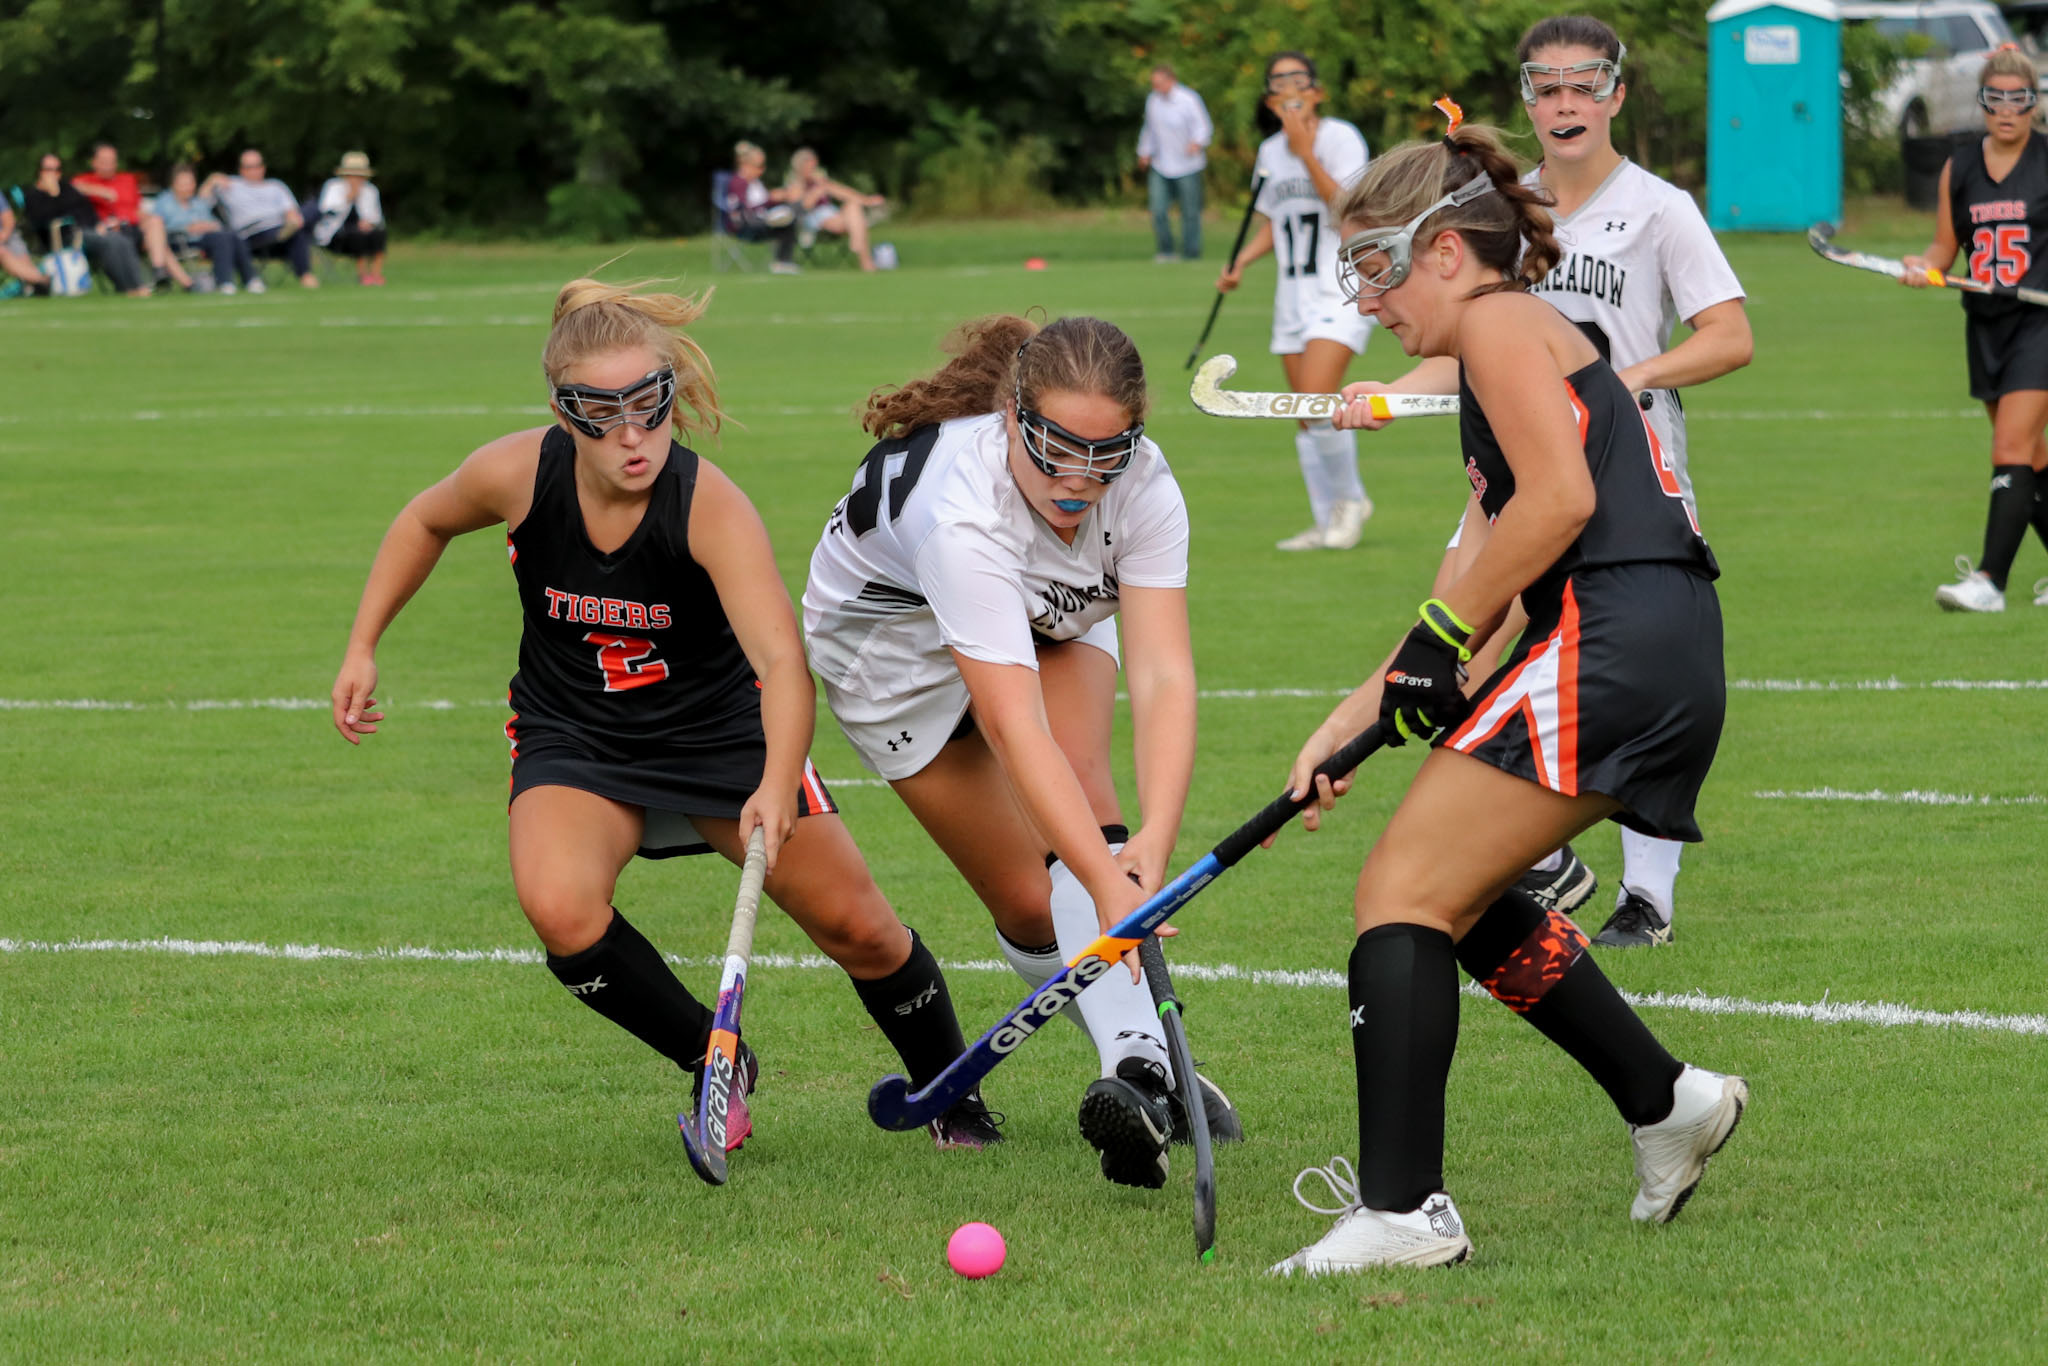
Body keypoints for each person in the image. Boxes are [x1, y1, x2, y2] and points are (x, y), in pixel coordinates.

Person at [330, 279, 999, 1155]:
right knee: (561, 912)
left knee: (857, 928)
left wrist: (773, 780)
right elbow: (423, 519)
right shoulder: (517, 474)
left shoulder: (708, 505)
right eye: (602, 413)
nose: (633, 434)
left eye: (651, 405)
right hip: (575, 736)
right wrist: (362, 645)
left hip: (723, 737)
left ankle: (949, 1092)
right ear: (563, 412)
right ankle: (713, 1057)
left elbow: (779, 666)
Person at [1265, 118, 1746, 1276]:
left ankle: (1401, 1209)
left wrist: (1442, 644)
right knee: (1463, 892)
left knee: (1400, 890)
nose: (1365, 299)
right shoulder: (1526, 335)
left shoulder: (1490, 323)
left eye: (1374, 267)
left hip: (1616, 628)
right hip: (1645, 635)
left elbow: (1558, 505)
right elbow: (1480, 556)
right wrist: (1361, 711)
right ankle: (1665, 1099)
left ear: (1442, 250)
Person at [1336, 16, 1755, 948]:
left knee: (1597, 649)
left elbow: (1731, 337)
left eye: (1583, 82)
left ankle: (1646, 893)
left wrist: (1613, 389)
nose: (1564, 101)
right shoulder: (1497, 210)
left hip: (1626, 472)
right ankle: (1526, 845)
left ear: (1614, 92)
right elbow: (1469, 342)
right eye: (1545, 85)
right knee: (1461, 639)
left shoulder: (1659, 208)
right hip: (1513, 462)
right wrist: (1394, 391)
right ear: (1526, 99)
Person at [802, 314, 1242, 1190]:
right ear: (1011, 416)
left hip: (1041, 611)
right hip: (890, 659)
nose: (1080, 480)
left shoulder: (1144, 486)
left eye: (1105, 452)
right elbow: (1013, 727)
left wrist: (1150, 842)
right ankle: (1143, 1052)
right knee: (1032, 903)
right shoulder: (959, 515)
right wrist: (1109, 883)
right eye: (1053, 449)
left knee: (1091, 806)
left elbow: (1162, 677)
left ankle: (1141, 1073)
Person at [1903, 43, 2048, 612]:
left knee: (2009, 443)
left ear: (2034, 103)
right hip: (1987, 325)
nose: (2007, 109)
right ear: (1983, 102)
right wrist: (1924, 269)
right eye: (1996, 99)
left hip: (2040, 323)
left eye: (2020, 99)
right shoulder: (1959, 167)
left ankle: (1990, 580)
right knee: (2030, 456)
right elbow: (1943, 249)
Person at [1216, 52, 1375, 552]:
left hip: (1340, 287)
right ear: (1269, 98)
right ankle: (1325, 519)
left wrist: (1307, 152)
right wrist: (1241, 261)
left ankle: (1351, 502)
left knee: (1316, 396)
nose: (1289, 88)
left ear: (1316, 92)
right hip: (1292, 295)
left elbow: (1349, 207)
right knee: (1304, 414)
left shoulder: (1341, 138)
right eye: (1279, 82)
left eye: (1299, 80)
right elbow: (1275, 221)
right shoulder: (1268, 151)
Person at [18, 152, 150, 296]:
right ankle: (126, 288)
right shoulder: (32, 195)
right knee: (110, 242)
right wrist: (54, 194)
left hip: (87, 231)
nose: (53, 174)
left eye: (57, 170)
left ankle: (138, 284)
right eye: (48, 169)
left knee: (121, 240)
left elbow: (85, 208)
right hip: (64, 238)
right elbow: (41, 220)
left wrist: (98, 224)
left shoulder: (67, 189)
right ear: (39, 172)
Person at [74, 141, 197, 291]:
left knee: (155, 222)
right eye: (104, 161)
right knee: (160, 245)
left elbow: (136, 209)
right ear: (94, 162)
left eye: (112, 161)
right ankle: (186, 283)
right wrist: (99, 190)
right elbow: (72, 187)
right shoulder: (86, 180)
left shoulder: (127, 180)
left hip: (135, 229)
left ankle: (160, 271)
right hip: (112, 231)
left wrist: (148, 218)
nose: (109, 165)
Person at [205, 149, 317, 290]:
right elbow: (202, 201)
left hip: (281, 227)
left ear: (263, 167)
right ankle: (305, 274)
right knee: (296, 232)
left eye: (257, 166)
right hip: (251, 235)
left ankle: (303, 271)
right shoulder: (231, 185)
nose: (254, 170)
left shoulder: (276, 186)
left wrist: (293, 220)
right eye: (249, 167)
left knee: (308, 214)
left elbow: (290, 211)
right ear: (241, 169)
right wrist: (212, 180)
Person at [1136, 63, 1212, 262]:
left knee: (1189, 211)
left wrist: (1197, 143)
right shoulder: (1153, 101)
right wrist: (1144, 152)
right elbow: (1149, 129)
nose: (1156, 88)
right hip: (1161, 164)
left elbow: (1203, 126)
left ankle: (1191, 252)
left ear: (1171, 81)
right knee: (1158, 210)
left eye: (1159, 83)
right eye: (1153, 84)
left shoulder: (1189, 99)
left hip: (1188, 165)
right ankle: (1166, 250)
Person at [784, 148, 887, 272]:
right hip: (813, 219)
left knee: (853, 206)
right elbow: (801, 208)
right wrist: (816, 192)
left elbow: (843, 192)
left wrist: (867, 200)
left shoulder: (820, 182)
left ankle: (857, 243)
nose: (814, 170)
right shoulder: (794, 185)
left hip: (832, 214)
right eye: (810, 167)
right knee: (859, 223)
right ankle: (866, 261)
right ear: (801, 168)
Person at [152, 164, 249, 294]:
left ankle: (249, 279)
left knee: (230, 236)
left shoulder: (197, 202)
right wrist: (187, 227)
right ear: (174, 184)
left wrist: (209, 226)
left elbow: (214, 222)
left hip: (203, 238)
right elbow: (157, 229)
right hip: (178, 241)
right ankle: (225, 282)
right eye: (184, 184)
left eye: (191, 183)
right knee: (222, 239)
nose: (188, 187)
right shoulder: (164, 202)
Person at [722, 142, 799, 275]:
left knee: (791, 215)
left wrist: (780, 197)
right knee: (787, 221)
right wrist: (771, 199)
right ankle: (782, 261)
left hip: (761, 221)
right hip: (746, 225)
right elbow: (745, 210)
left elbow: (762, 204)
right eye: (759, 166)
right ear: (745, 165)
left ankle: (783, 261)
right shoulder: (739, 183)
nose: (762, 170)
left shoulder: (755, 183)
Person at [315, 151, 388, 285]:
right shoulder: (333, 187)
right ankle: (363, 275)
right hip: (336, 236)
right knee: (358, 235)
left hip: (365, 233)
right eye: (352, 174)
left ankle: (376, 274)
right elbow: (326, 211)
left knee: (379, 233)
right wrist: (349, 197)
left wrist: (369, 223)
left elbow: (377, 217)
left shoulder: (370, 190)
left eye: (359, 175)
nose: (355, 178)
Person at [0, 204, 50, 294]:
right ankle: (42, 281)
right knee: (2, 252)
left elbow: (9, 219)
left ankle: (33, 286)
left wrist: (3, 236)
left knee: (23, 260)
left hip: (7, 236)